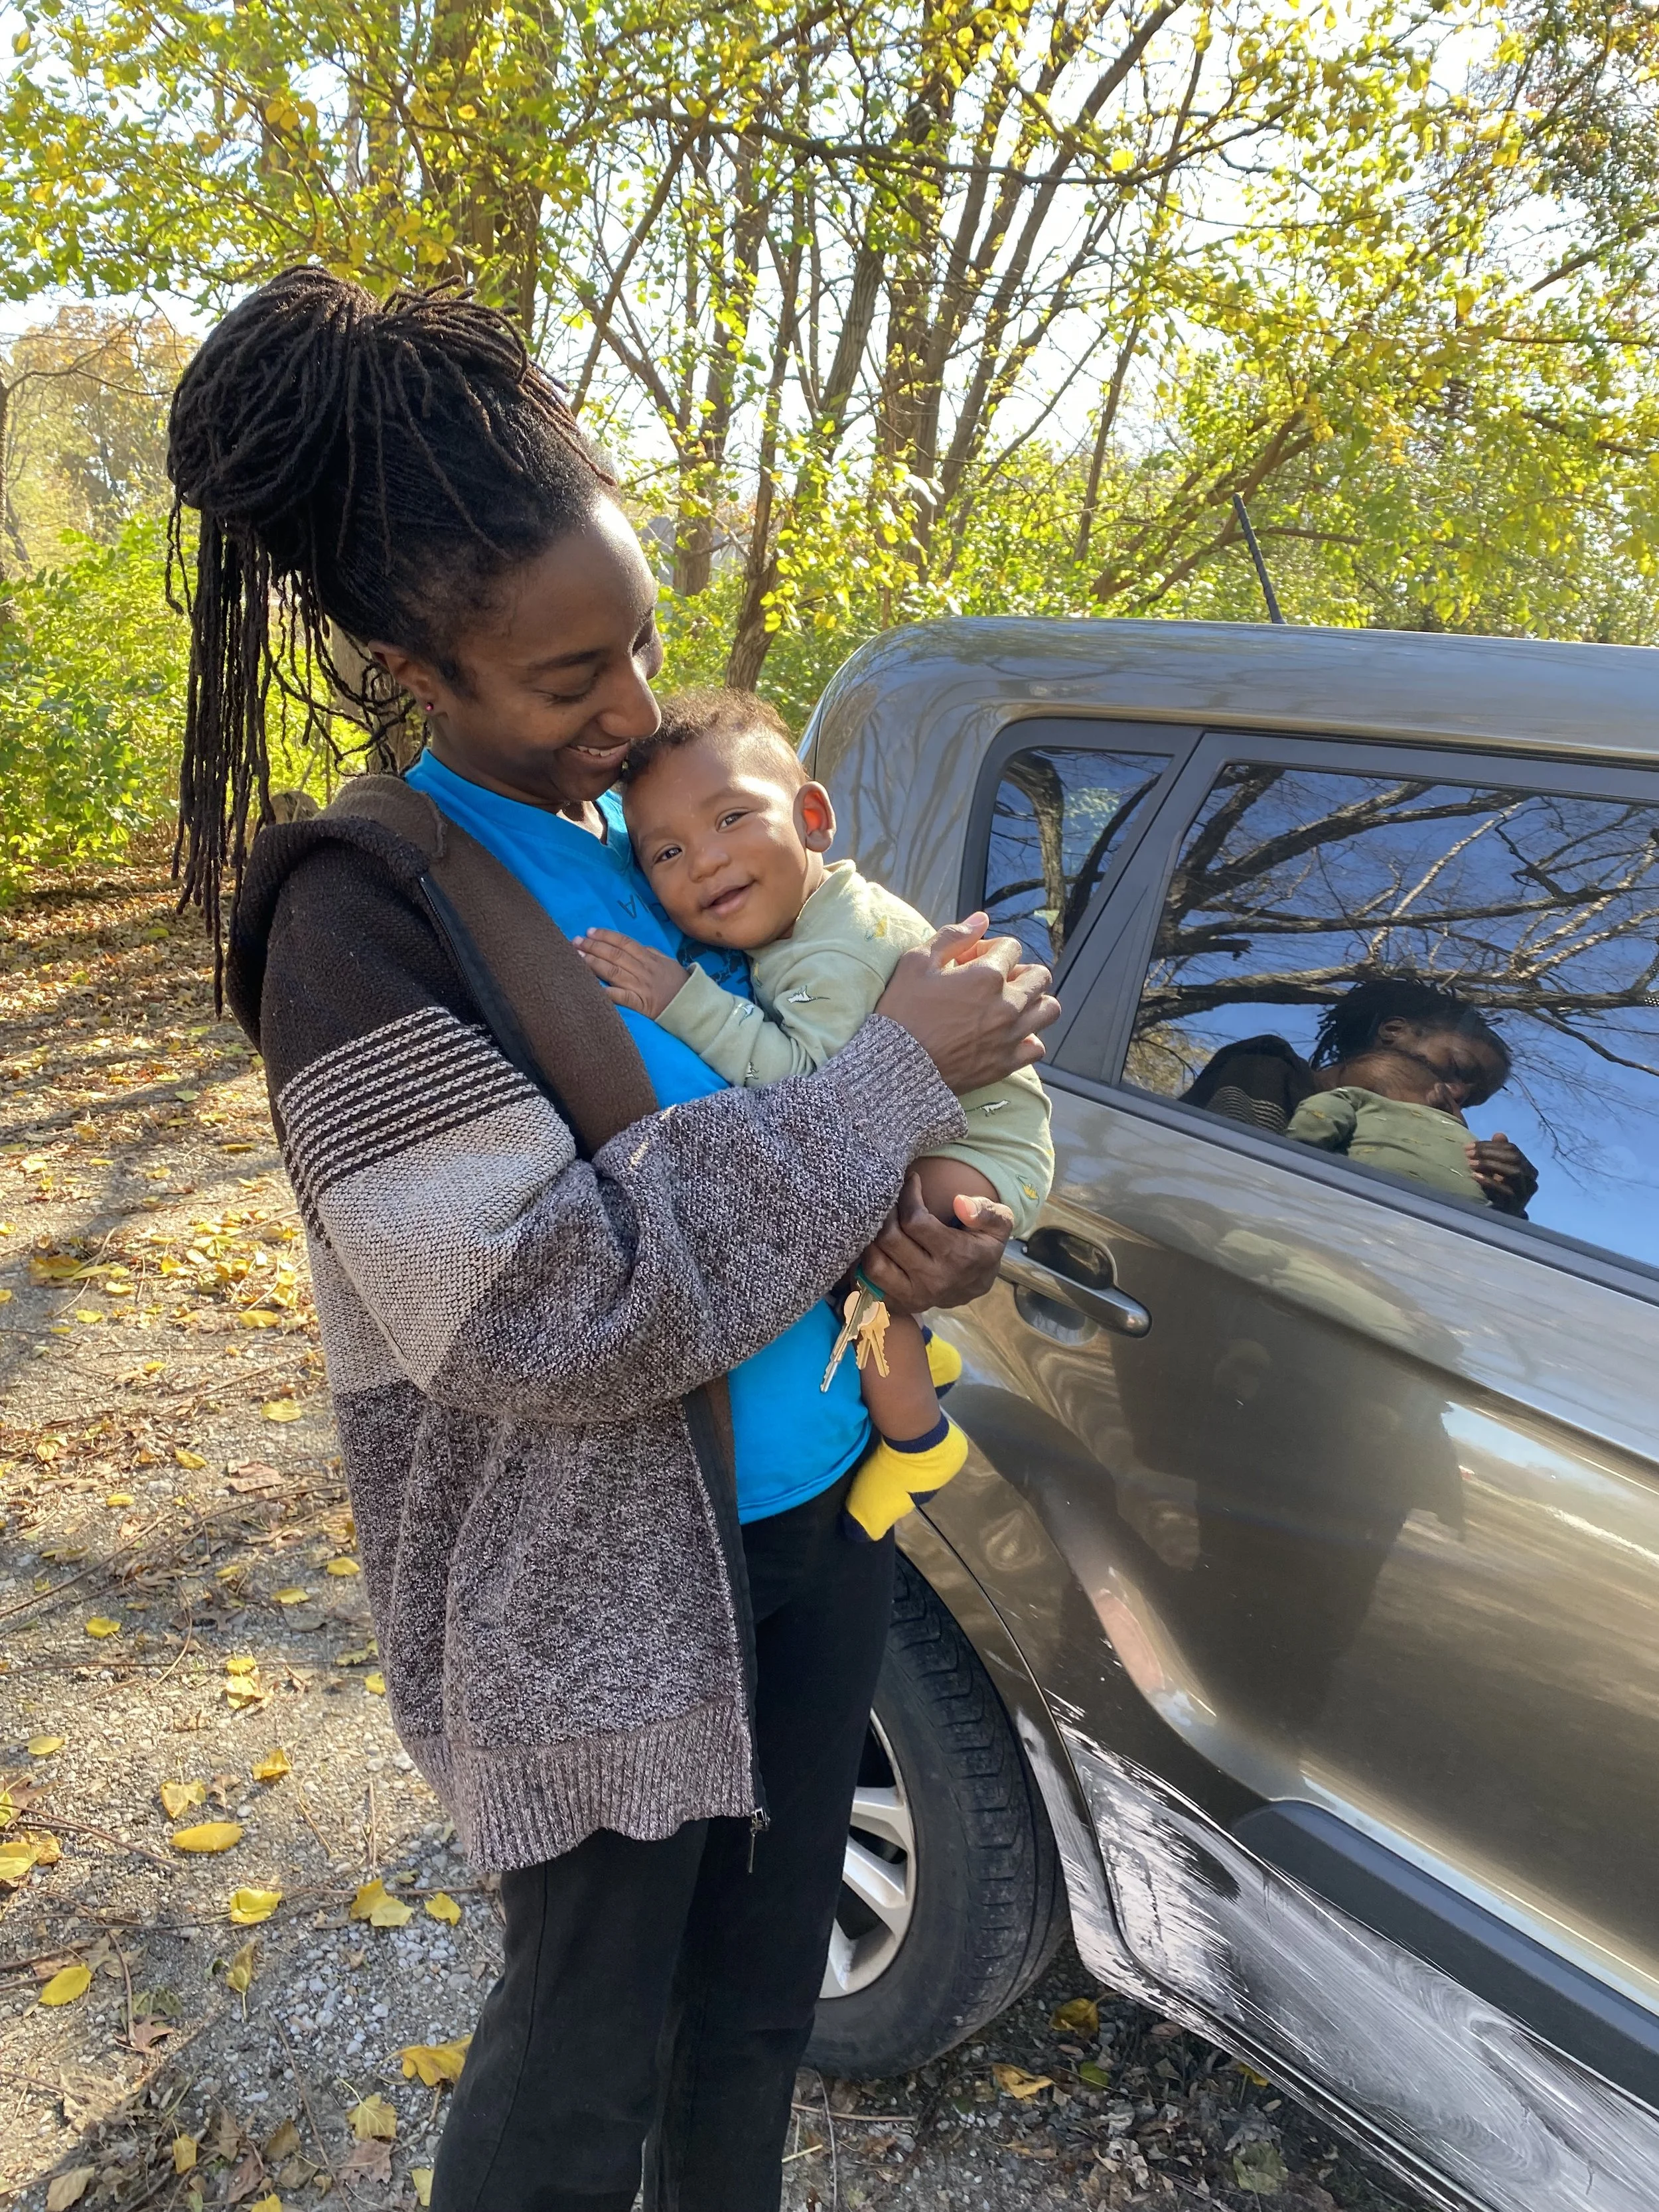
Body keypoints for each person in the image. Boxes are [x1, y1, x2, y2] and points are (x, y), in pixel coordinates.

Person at [164, 269, 1058, 2212]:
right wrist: (878, 1097)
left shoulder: (684, 821)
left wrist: (938, 1217)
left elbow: (850, 1085)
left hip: (814, 1530)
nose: (633, 710)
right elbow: (531, 1309)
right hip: (592, 1603)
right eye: (571, 682)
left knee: (752, 2017)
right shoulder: (360, 918)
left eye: (638, 647)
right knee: (579, 2075)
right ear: (415, 667)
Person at [572, 688, 1054, 1542]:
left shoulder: (834, 951)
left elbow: (812, 1090)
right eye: (668, 850)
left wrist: (680, 998)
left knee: (867, 1247)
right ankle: (917, 1357)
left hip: (979, 1146)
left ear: (813, 817)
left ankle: (917, 1441)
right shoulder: (814, 919)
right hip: (953, 1128)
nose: (704, 862)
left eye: (731, 819)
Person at [1183, 976, 1538, 1215]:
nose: (1458, 1095)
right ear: (1394, 1031)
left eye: (1473, 1100)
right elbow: (1230, 1194)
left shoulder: (1436, 1148)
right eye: (1458, 1068)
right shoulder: (1266, 1067)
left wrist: (1502, 1207)